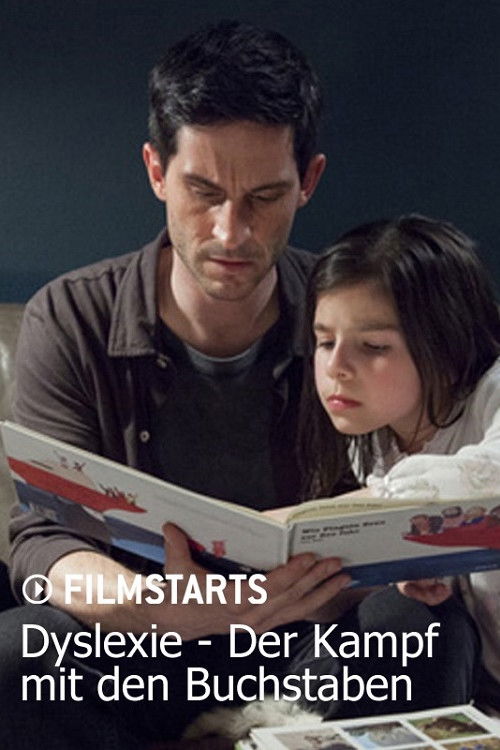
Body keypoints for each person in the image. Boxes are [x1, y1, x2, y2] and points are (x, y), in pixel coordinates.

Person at [0, 20, 353, 749]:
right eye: (203, 191)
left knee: (423, 628)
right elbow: (42, 542)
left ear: (309, 182)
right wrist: (157, 607)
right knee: (14, 658)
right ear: (157, 171)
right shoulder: (72, 316)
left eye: (264, 196)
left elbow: (406, 493)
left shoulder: (353, 315)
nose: (230, 233)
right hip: (139, 640)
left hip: (306, 650)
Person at [299, 213, 500, 714]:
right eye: (325, 341)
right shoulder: (375, 435)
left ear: (447, 345)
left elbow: (485, 480)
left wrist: (374, 514)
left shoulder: (492, 392)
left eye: (373, 347)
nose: (336, 367)